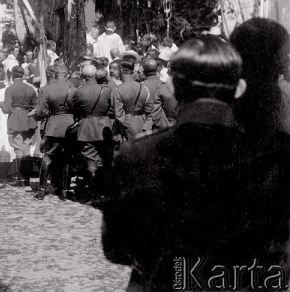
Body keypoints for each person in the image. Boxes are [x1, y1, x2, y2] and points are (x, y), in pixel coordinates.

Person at [101, 36, 290, 291]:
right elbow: (281, 257)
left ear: (174, 89)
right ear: (239, 88)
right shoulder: (274, 157)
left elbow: (116, 249)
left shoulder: (136, 155)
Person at [72, 64, 113, 201]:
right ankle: (104, 191)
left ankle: (94, 192)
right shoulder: (106, 90)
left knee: (90, 161)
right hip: (104, 127)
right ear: (96, 75)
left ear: (83, 76)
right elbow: (111, 109)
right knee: (104, 160)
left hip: (86, 128)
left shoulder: (79, 91)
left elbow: (75, 109)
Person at [36, 65, 75, 200]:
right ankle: (64, 190)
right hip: (70, 126)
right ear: (67, 74)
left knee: (48, 156)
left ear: (55, 75)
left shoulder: (46, 89)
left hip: (52, 125)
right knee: (67, 158)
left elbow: (41, 111)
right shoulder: (73, 89)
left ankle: (41, 190)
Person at [2, 65, 37, 187]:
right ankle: (27, 179)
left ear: (12, 75)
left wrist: (2, 106)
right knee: (26, 148)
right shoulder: (31, 89)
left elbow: (7, 108)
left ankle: (20, 178)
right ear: (23, 75)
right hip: (28, 119)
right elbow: (35, 106)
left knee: (17, 148)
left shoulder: (10, 89)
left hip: (15, 119)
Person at [111, 60, 153, 141]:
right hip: (143, 125)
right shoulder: (144, 88)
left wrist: (129, 129)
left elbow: (119, 116)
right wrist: (146, 128)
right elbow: (149, 113)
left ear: (121, 71)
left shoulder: (117, 90)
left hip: (127, 129)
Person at [0, 68, 15, 182]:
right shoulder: (8, 89)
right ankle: (6, 172)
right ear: (5, 77)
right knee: (6, 141)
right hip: (5, 117)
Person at [139, 58, 172, 133]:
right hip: (162, 126)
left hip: (144, 125)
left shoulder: (140, 86)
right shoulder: (164, 85)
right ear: (157, 69)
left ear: (144, 71)